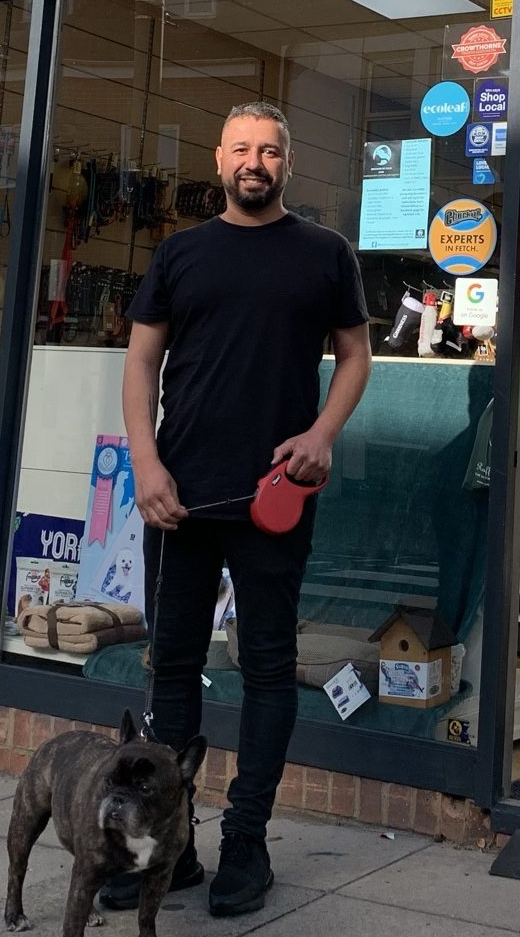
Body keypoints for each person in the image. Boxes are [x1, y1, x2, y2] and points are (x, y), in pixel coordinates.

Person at [108, 100, 372, 917]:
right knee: (175, 669)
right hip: (178, 499)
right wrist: (145, 463)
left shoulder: (326, 254)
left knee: (265, 670)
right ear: (219, 159)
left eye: (270, 150)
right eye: (242, 148)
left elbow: (357, 355)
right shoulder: (180, 253)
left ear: (287, 164)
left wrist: (323, 432)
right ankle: (172, 850)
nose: (255, 161)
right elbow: (140, 363)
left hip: (274, 500)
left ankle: (248, 844)